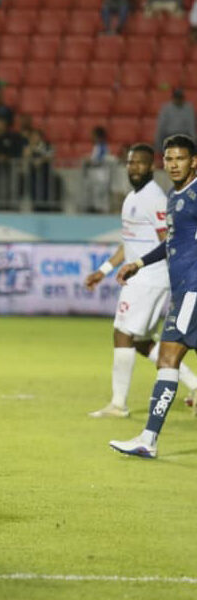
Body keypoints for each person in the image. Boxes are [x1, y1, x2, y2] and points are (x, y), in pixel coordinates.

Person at [86, 143, 197, 420]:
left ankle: (118, 404)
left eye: (140, 163)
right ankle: (194, 384)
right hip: (142, 275)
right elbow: (129, 242)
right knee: (142, 341)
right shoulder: (132, 197)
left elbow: (170, 241)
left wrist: (179, 277)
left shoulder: (154, 198)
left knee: (122, 333)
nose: (134, 167)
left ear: (151, 167)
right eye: (130, 162)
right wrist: (104, 270)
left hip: (149, 278)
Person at [111, 135, 197, 458]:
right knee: (168, 358)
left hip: (193, 290)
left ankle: (148, 439)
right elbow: (171, 241)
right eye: (169, 159)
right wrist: (138, 263)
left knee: (168, 358)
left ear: (194, 162)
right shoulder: (174, 197)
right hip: (183, 290)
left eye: (180, 159)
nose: (173, 165)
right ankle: (148, 439)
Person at [155, 89, 196, 153]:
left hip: (184, 135)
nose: (178, 100)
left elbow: (191, 126)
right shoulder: (166, 108)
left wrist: (194, 140)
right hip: (169, 135)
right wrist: (158, 143)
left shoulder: (189, 108)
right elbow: (161, 126)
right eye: (176, 98)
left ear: (183, 98)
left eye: (180, 98)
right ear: (173, 98)